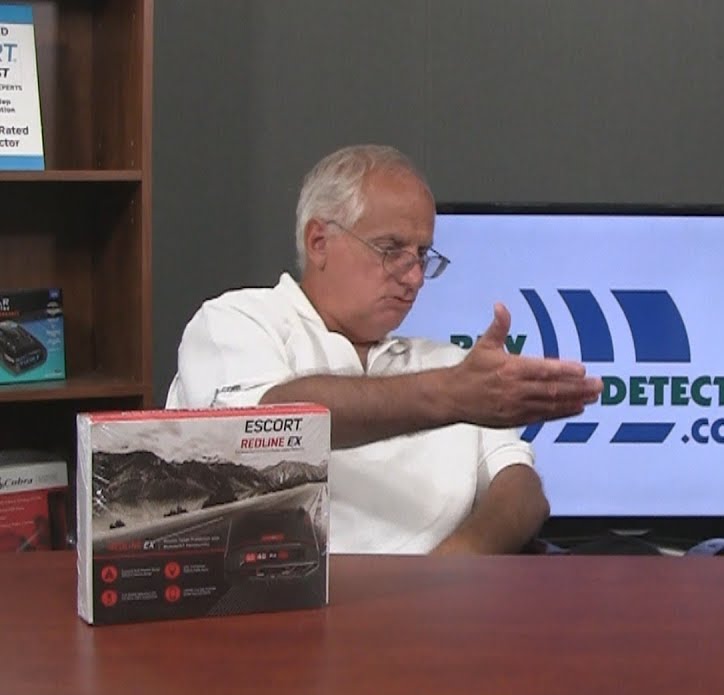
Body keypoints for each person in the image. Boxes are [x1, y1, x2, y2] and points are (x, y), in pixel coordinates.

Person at [167, 144, 603, 555]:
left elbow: (521, 491)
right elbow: (261, 426)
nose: (414, 277)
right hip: (283, 597)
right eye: (391, 250)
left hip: (439, 597)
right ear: (319, 241)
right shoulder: (239, 322)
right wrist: (450, 396)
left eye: (422, 254)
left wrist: (452, 566)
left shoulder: (447, 364)